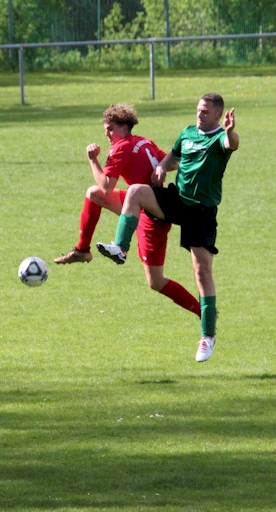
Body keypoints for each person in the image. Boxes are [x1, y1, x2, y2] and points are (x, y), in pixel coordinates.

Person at [97, 93, 239, 363]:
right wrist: (162, 167)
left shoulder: (219, 138)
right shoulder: (187, 133)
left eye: (206, 112)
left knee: (202, 272)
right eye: (198, 110)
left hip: (201, 212)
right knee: (136, 191)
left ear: (218, 116)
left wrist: (231, 133)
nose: (200, 115)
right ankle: (120, 248)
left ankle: (207, 335)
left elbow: (231, 144)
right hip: (178, 200)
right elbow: (173, 157)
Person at [54, 104, 201, 319]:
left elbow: (107, 186)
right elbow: (167, 163)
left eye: (110, 128)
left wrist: (93, 160)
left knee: (156, 282)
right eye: (105, 129)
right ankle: (82, 250)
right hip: (142, 204)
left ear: (124, 127)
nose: (106, 133)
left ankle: (202, 311)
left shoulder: (120, 147)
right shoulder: (143, 141)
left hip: (152, 216)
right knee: (93, 193)